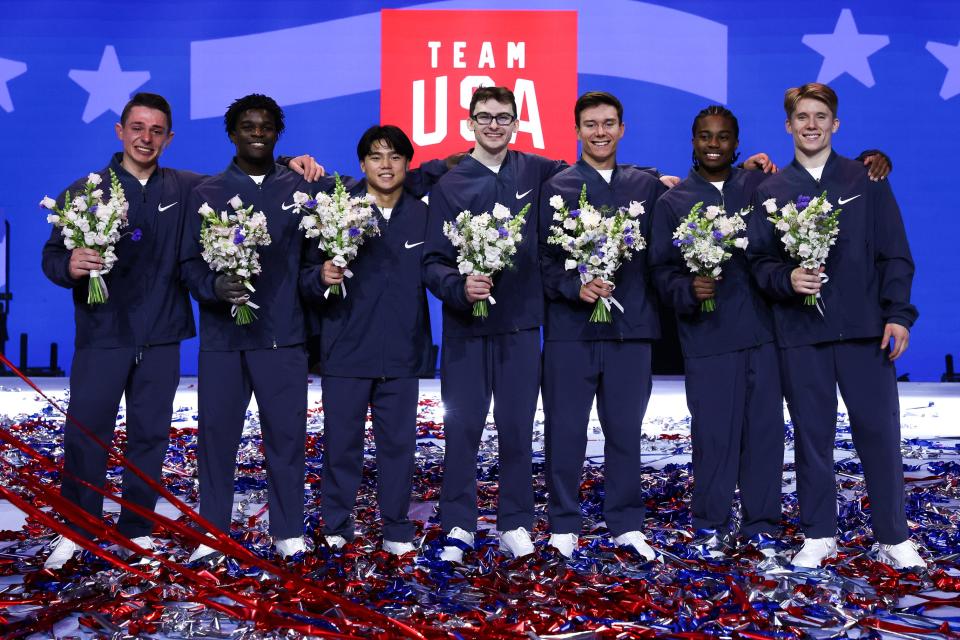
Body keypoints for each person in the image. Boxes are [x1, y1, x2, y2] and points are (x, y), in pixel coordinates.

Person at [40, 92, 322, 570]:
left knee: (149, 438)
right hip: (104, 335)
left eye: (156, 131)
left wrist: (296, 164)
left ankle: (139, 529)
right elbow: (51, 257)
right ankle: (76, 529)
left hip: (163, 337)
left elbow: (252, 177)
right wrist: (68, 263)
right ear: (119, 131)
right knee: (87, 436)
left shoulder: (188, 188)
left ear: (168, 138)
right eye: (137, 128)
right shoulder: (85, 192)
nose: (145, 138)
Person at [746, 82, 925, 569]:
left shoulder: (866, 178)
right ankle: (819, 533)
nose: (811, 124)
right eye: (801, 116)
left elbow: (894, 253)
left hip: (866, 332)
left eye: (820, 116)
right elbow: (759, 262)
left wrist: (897, 314)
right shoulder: (772, 189)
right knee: (811, 435)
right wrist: (787, 278)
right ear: (788, 125)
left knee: (880, 435)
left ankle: (893, 535)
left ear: (835, 124)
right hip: (801, 336)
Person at [423, 86, 567, 561]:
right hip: (466, 330)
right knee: (461, 431)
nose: (493, 125)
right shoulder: (449, 182)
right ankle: (459, 526)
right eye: (484, 117)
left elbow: (593, 172)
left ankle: (515, 523)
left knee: (516, 428)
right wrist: (459, 287)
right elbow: (432, 262)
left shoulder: (537, 170)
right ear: (469, 123)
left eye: (503, 117)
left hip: (521, 326)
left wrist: (658, 179)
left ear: (516, 122)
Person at [180, 94, 317, 561]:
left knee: (286, 441)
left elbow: (320, 254)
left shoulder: (303, 188)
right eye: (247, 126)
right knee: (216, 441)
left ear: (278, 133)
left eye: (265, 127)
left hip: (283, 338)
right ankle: (212, 532)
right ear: (232, 133)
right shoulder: (207, 193)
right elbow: (188, 266)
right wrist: (216, 286)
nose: (256, 133)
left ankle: (288, 531)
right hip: (223, 341)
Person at [650, 106, 785, 550]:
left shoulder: (759, 187)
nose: (713, 144)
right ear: (692, 141)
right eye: (705, 136)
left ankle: (762, 524)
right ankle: (710, 523)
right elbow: (660, 272)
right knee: (713, 437)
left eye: (723, 137)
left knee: (764, 434)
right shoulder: (673, 202)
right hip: (707, 339)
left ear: (736, 141)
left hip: (763, 334)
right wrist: (689, 288)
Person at [538, 91, 666, 560]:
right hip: (571, 333)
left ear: (622, 129)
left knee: (625, 432)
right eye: (590, 124)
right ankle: (564, 524)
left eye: (609, 123)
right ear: (576, 130)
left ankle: (627, 523)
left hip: (629, 332)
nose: (600, 132)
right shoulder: (557, 187)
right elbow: (543, 262)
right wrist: (576, 287)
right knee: (564, 431)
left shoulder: (646, 187)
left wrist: (754, 170)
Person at [299, 125, 431, 556]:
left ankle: (395, 527)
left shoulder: (423, 215)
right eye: (376, 156)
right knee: (342, 446)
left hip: (401, 354)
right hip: (345, 352)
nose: (386, 165)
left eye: (395, 156)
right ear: (362, 164)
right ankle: (337, 523)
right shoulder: (339, 212)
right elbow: (304, 276)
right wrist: (321, 277)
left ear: (408, 164)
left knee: (398, 448)